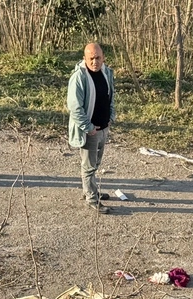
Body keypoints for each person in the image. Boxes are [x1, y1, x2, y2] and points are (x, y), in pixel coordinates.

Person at [68, 43, 116, 214]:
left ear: (103, 58)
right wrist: (88, 127)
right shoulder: (79, 77)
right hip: (90, 130)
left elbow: (111, 96)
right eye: (91, 59)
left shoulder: (106, 73)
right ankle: (91, 198)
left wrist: (111, 117)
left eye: (98, 58)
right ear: (85, 59)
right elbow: (74, 107)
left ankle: (91, 189)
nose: (95, 62)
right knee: (88, 166)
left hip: (103, 127)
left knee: (95, 163)